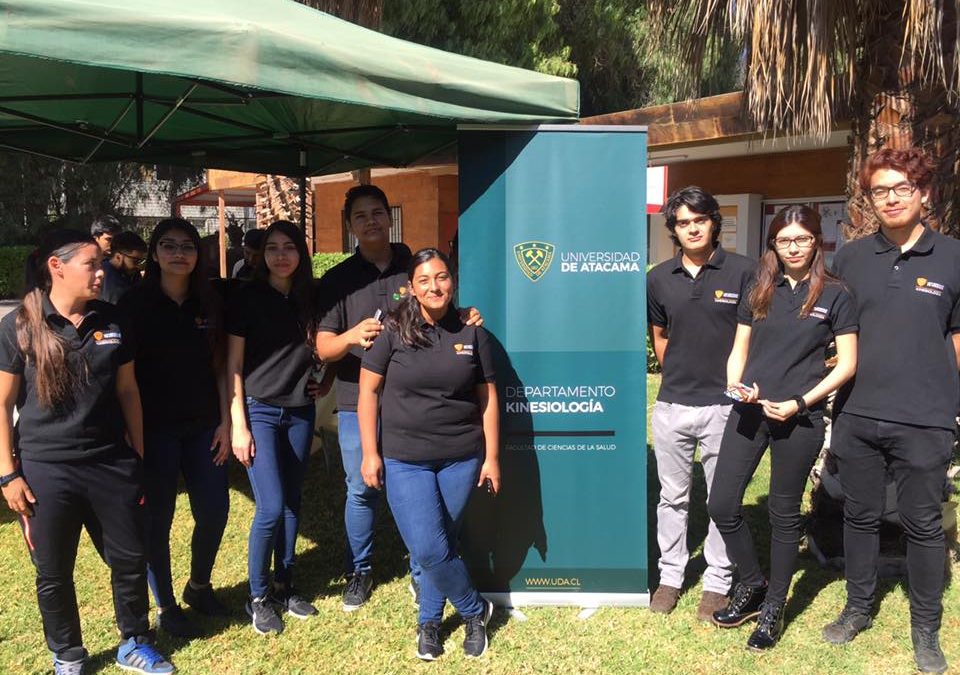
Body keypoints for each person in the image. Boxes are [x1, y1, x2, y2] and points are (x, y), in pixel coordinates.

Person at [0, 230, 174, 674]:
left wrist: (136, 454)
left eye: (102, 264)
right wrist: (8, 474)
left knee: (130, 558)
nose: (101, 273)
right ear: (56, 267)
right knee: (54, 571)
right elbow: (1, 403)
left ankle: (134, 641)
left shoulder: (112, 321)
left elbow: (129, 391)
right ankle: (68, 654)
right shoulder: (20, 325)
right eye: (91, 264)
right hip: (46, 470)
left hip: (111, 462)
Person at [821, 148, 960, 674]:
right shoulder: (849, 259)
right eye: (881, 190)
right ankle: (858, 608)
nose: (892, 198)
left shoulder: (953, 257)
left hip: (926, 416)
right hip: (858, 413)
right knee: (860, 516)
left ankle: (926, 630)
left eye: (903, 187)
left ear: (924, 193)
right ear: (870, 199)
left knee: (923, 524)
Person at [316, 185, 485, 611]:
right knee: (362, 486)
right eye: (361, 216)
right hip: (360, 398)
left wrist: (467, 316)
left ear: (387, 218)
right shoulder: (337, 281)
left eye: (378, 213)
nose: (371, 221)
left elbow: (443, 308)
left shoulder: (411, 269)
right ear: (349, 224)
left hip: (416, 404)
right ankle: (361, 569)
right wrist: (351, 337)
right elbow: (322, 348)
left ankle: (422, 571)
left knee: (422, 492)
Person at [707, 205, 858, 650]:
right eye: (784, 240)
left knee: (782, 512)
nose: (793, 248)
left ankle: (774, 606)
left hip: (800, 417)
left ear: (817, 242)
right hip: (750, 412)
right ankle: (752, 583)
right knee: (721, 503)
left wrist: (799, 402)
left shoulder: (836, 294)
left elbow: (847, 363)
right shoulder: (759, 286)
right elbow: (740, 347)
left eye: (802, 239)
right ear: (772, 244)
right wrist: (735, 384)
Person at [358, 248, 498, 660]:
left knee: (441, 543)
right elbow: (367, 392)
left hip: (461, 456)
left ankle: (429, 623)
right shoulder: (392, 332)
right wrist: (370, 452)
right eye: (424, 280)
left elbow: (489, 401)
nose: (434, 286)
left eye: (441, 277)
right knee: (428, 547)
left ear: (452, 281)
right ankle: (476, 609)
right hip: (405, 458)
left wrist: (491, 457)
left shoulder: (473, 332)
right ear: (411, 288)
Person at [118, 218, 231, 639]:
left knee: (215, 510)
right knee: (157, 522)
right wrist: (133, 437)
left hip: (204, 427)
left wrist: (225, 420)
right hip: (155, 431)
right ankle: (165, 605)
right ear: (155, 252)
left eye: (188, 246)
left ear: (198, 254)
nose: (179, 253)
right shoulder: (133, 306)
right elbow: (122, 381)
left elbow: (221, 367)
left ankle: (198, 586)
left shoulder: (211, 302)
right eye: (169, 246)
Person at [646, 186, 755, 620]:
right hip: (673, 405)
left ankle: (717, 581)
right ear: (673, 229)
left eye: (699, 220)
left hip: (724, 406)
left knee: (719, 498)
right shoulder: (658, 278)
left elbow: (752, 337)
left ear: (714, 222)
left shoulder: (744, 272)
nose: (692, 229)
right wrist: (683, 374)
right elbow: (660, 338)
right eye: (682, 223)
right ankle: (671, 576)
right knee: (672, 496)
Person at [227, 219, 319, 635]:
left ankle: (285, 583)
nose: (281, 255)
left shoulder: (308, 299)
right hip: (258, 410)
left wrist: (325, 379)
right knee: (269, 506)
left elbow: (327, 345)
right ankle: (258, 595)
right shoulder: (246, 297)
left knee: (294, 500)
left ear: (301, 254)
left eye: (290, 247)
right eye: (273, 248)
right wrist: (238, 425)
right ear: (261, 255)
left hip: (300, 410)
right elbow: (231, 366)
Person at [101, 231, 147, 304]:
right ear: (118, 257)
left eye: (141, 261)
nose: (138, 266)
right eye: (135, 261)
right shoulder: (106, 277)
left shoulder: (132, 273)